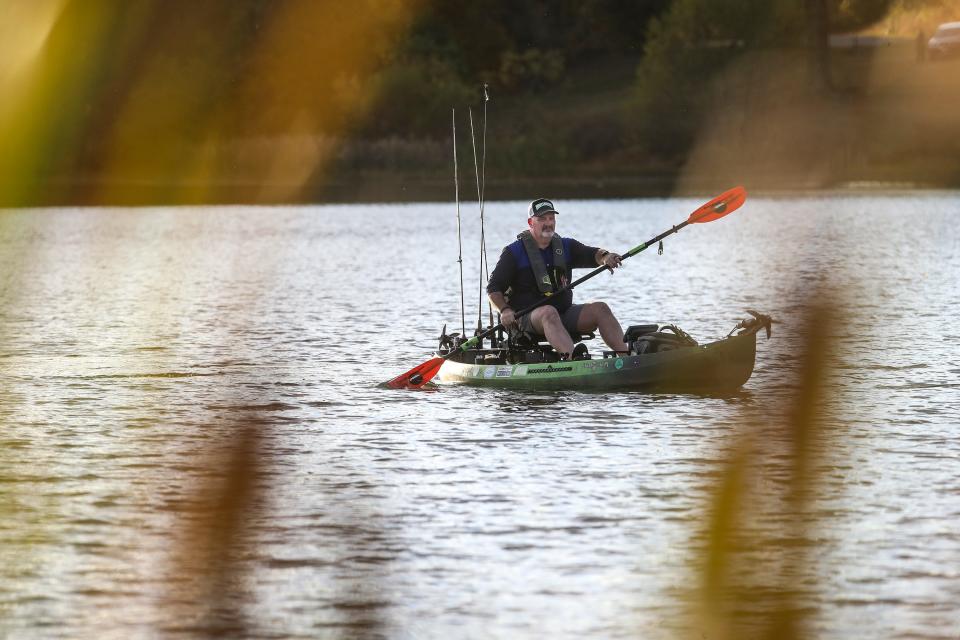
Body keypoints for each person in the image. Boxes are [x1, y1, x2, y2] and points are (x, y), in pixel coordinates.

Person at [487, 198, 629, 359]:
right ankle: (573, 361)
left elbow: (593, 254)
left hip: (562, 313)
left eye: (551, 218)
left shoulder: (566, 245)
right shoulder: (513, 252)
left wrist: (606, 256)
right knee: (549, 312)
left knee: (601, 308)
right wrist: (505, 310)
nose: (548, 223)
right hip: (527, 319)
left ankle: (626, 358)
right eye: (542, 219)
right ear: (530, 222)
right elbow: (493, 289)